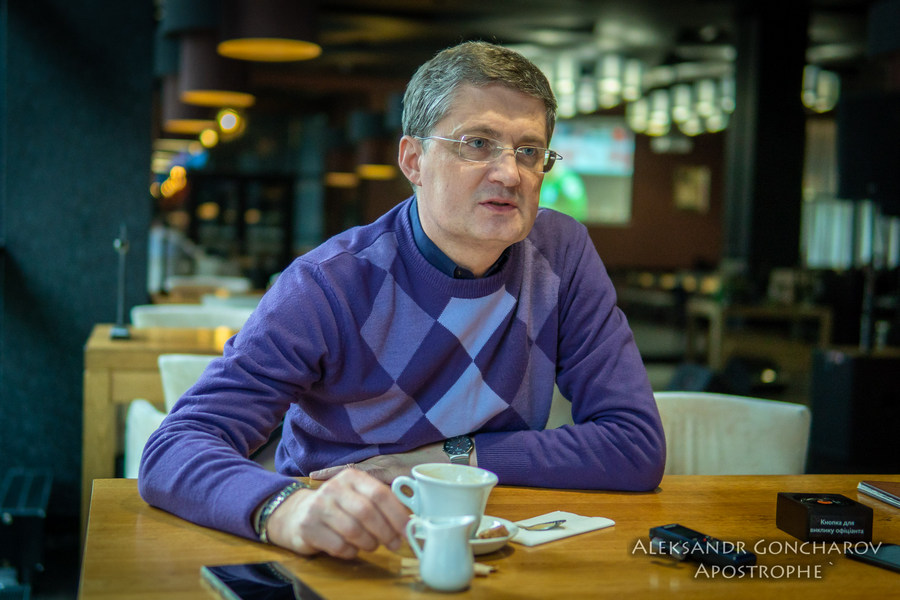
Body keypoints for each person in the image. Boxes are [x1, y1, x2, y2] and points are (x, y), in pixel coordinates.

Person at [139, 40, 665, 561]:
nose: (510, 173)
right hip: (339, 548)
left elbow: (634, 444)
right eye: (477, 143)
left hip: (493, 539)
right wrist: (287, 510)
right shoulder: (331, 283)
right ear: (414, 159)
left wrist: (445, 459)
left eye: (528, 151)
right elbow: (175, 446)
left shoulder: (561, 253)